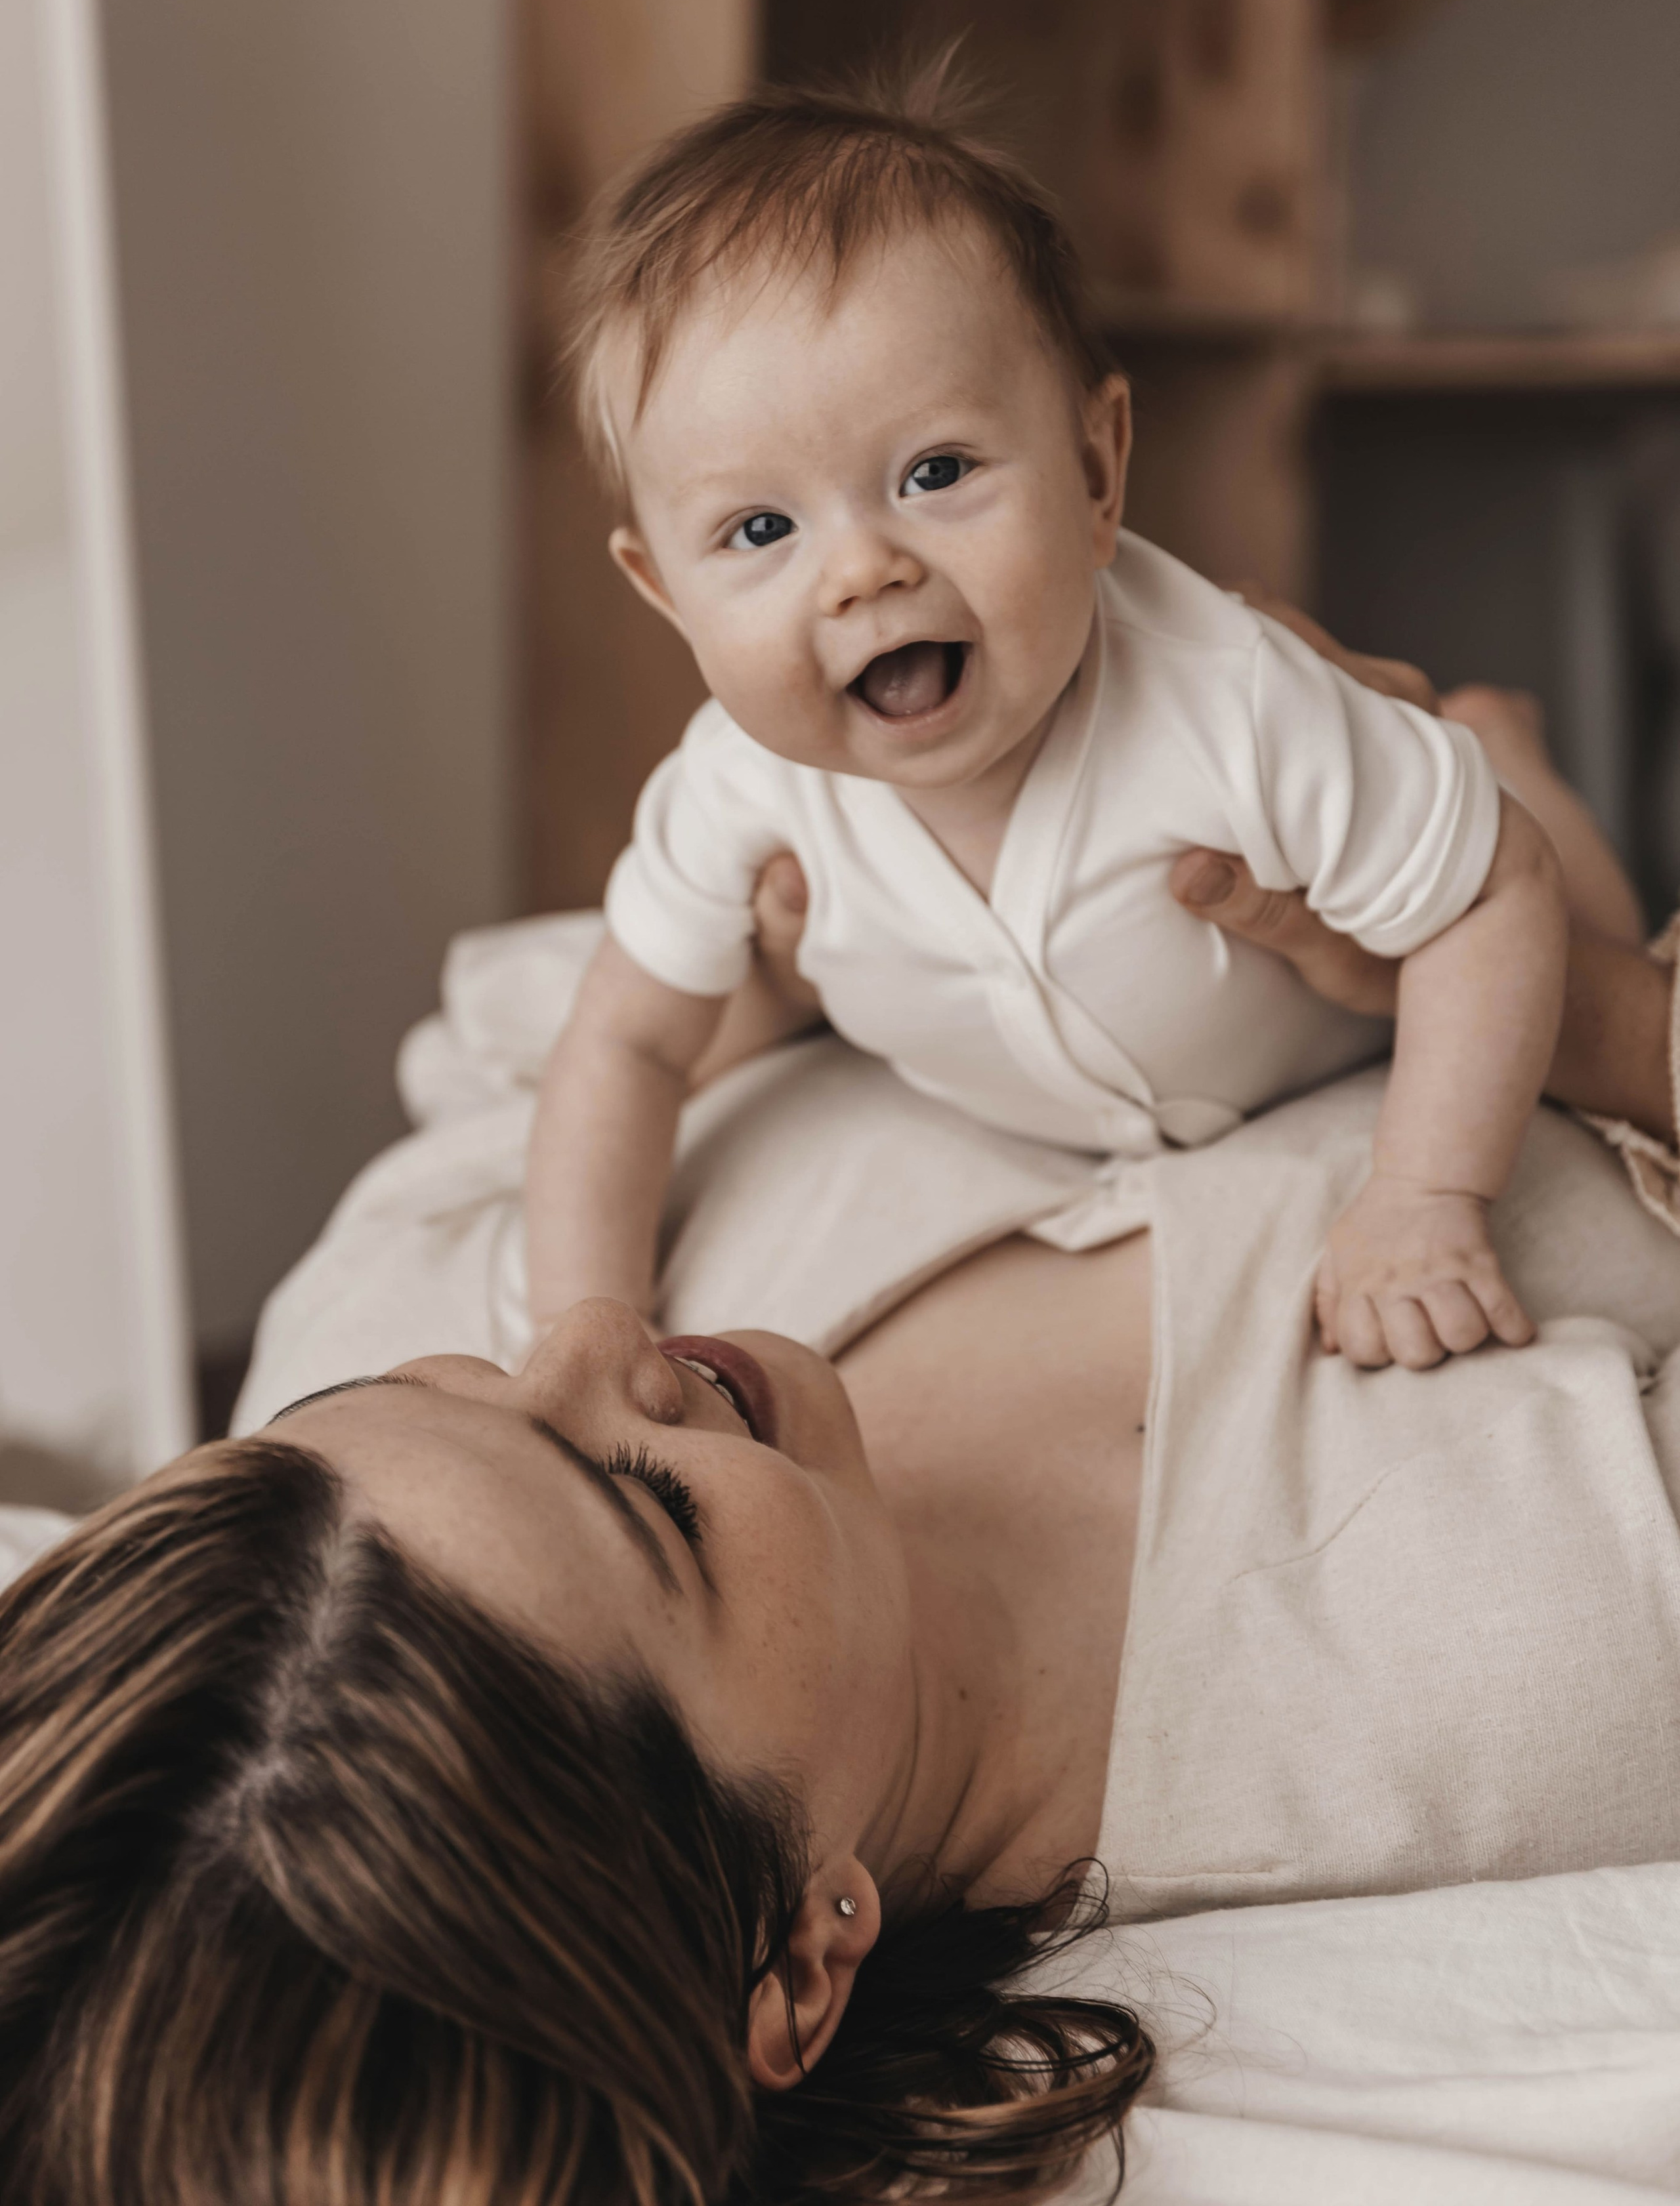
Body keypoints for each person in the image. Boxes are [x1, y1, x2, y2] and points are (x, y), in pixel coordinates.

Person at [7, 659, 1680, 2205]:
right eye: (650, 1512)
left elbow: (539, 1055)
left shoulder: (346, 1433)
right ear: (801, 1954)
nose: (594, 1331)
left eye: (434, 1388)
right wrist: (1509, 977)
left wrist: (829, 963)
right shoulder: (1512, 1656)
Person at [523, 64, 1652, 1375]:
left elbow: (1486, 894)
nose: (861, 569)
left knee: (1576, 923)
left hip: (1341, 1005)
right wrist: (581, 1326)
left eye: (934, 472)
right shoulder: (734, 788)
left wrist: (1425, 1196)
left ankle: (1487, 742)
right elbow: (624, 1039)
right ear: (664, 591)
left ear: (1094, 470)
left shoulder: (1226, 702)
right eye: (760, 529)